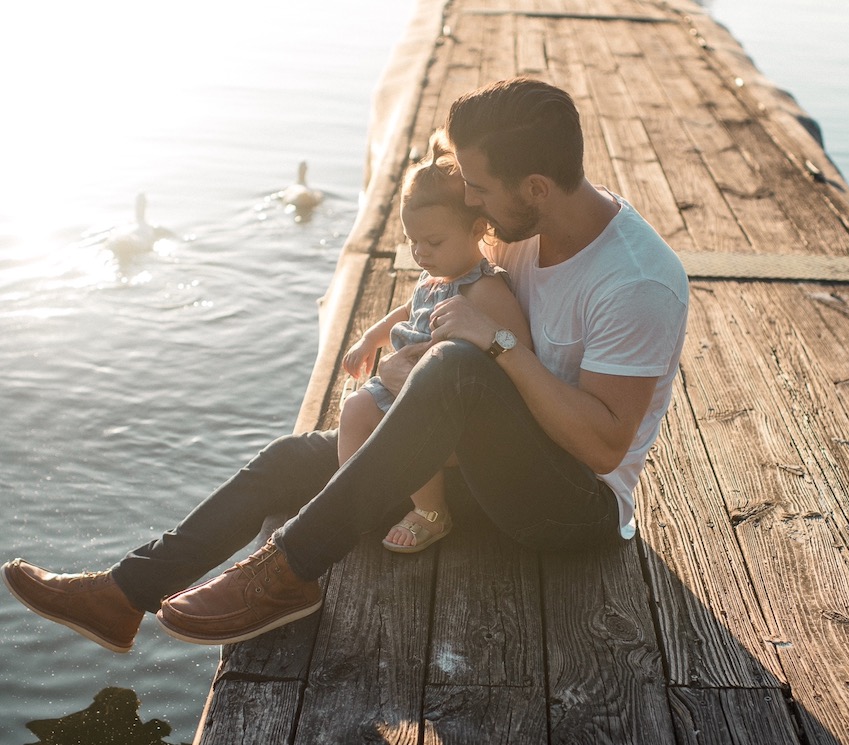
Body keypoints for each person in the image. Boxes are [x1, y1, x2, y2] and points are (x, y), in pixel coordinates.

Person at [2, 77, 689, 652]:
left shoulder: (635, 281)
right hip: (481, 466)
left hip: (569, 507)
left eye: (478, 187)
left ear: (535, 187)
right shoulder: (519, 231)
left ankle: (288, 571)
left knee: (454, 367)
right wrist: (389, 330)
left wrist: (496, 347)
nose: (469, 200)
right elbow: (451, 294)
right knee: (288, 460)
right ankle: (124, 594)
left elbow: (603, 444)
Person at [338, 131, 531, 552]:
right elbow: (407, 310)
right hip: (402, 381)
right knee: (353, 409)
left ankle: (432, 511)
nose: (421, 253)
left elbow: (518, 350)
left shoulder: (484, 289)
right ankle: (356, 499)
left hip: (444, 405)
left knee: (411, 432)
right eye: (413, 242)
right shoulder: (434, 276)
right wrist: (371, 338)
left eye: (434, 242)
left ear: (478, 227)